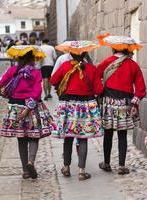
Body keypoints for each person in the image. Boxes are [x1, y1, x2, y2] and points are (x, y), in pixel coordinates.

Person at [0, 45, 53, 179]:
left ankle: (25, 171)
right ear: (32, 59)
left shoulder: (12, 71)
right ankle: (30, 162)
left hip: (15, 108)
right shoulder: (36, 73)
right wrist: (28, 108)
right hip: (31, 107)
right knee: (34, 137)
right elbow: (37, 92)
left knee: (21, 139)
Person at [50, 40, 104, 181]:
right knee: (83, 137)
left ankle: (66, 168)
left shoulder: (65, 66)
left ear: (70, 54)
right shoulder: (91, 69)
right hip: (85, 106)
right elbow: (99, 89)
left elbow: (53, 80)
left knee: (68, 137)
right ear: (85, 54)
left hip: (67, 105)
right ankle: (81, 171)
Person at [96, 34, 146, 175]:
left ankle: (106, 163)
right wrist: (134, 105)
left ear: (113, 48)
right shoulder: (133, 65)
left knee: (108, 133)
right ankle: (122, 166)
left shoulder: (106, 62)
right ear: (128, 49)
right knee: (122, 135)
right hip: (125, 103)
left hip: (108, 103)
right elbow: (141, 88)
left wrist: (100, 92)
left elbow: (96, 78)